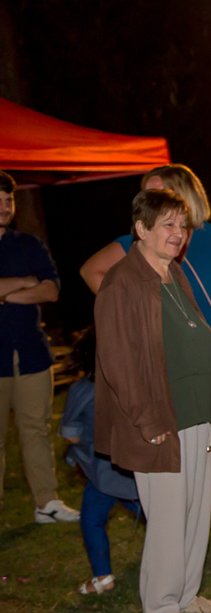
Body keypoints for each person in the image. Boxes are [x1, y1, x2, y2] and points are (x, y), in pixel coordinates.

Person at [80, 164, 211, 538]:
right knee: (172, 426)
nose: (149, 203)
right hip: (166, 349)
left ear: (185, 195)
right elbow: (92, 272)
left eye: (160, 193)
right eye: (145, 197)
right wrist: (131, 317)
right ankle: (174, 508)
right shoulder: (136, 244)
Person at [95, 188, 211, 613]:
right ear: (141, 229)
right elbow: (118, 361)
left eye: (183, 225)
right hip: (160, 416)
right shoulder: (123, 282)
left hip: (196, 408)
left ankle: (186, 593)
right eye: (168, 225)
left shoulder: (175, 274)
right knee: (169, 512)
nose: (178, 234)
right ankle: (159, 607)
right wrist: (148, 420)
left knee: (195, 508)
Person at [0, 170, 79, 524]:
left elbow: (50, 290)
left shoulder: (29, 244)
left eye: (8, 200)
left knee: (36, 428)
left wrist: (5, 292)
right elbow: (35, 285)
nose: (4, 207)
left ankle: (46, 503)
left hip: (31, 352)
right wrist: (22, 282)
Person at [60, 326, 143, 595]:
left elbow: (70, 434)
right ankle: (179, 558)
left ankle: (102, 576)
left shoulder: (82, 390)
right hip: (139, 467)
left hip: (104, 472)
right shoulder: (139, 384)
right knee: (154, 515)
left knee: (92, 520)